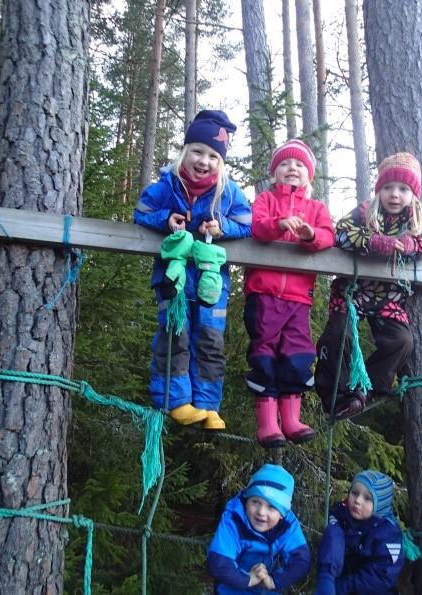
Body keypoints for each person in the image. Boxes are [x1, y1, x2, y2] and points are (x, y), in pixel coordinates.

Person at [134, 110, 252, 430]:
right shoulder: (167, 184)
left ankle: (207, 404)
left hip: (212, 282)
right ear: (185, 152)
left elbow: (248, 222)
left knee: (211, 340)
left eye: (213, 156)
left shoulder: (227, 192)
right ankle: (174, 400)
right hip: (173, 279)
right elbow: (141, 211)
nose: (204, 161)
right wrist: (165, 220)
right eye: (198, 151)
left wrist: (222, 225)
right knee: (176, 333)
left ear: (221, 161)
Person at [314, 152, 422, 418]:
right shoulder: (364, 213)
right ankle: (336, 397)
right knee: (339, 335)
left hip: (388, 298)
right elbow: (340, 234)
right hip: (353, 292)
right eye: (388, 187)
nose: (395, 194)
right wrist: (372, 242)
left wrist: (410, 245)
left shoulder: (417, 223)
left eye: (403, 189)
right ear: (379, 190)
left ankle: (366, 389)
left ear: (413, 194)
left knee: (402, 341)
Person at [244, 139, 335, 447]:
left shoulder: (316, 208)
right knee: (265, 353)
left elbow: (327, 236)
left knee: (296, 356)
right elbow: (256, 227)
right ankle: (268, 423)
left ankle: (292, 419)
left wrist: (310, 236)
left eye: (299, 165)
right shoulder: (266, 200)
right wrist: (279, 223)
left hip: (298, 299)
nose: (292, 168)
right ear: (274, 174)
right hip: (264, 293)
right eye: (284, 164)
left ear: (309, 176)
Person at [207, 463, 311, 594]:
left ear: (282, 514)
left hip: (266, 589)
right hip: (231, 590)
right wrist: (247, 579)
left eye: (271, 507)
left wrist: (275, 581)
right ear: (247, 500)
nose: (261, 512)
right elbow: (218, 561)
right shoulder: (235, 518)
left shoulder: (287, 525)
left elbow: (300, 560)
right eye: (255, 502)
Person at [315, 470, 405, 595]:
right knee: (333, 532)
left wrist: (344, 586)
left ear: (380, 505)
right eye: (354, 493)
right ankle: (326, 579)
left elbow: (383, 575)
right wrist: (328, 580)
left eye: (367, 498)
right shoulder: (340, 515)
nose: (357, 500)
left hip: (371, 590)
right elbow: (332, 545)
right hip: (336, 583)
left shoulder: (388, 533)